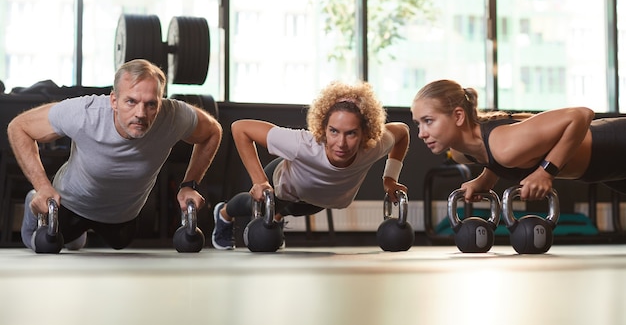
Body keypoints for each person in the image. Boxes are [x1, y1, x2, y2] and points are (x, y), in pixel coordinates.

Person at [8, 58, 223, 251]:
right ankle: (35, 203)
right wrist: (42, 186)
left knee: (120, 243)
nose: (141, 113)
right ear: (113, 101)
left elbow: (213, 132)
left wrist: (189, 184)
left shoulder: (173, 116)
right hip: (70, 203)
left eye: (151, 104)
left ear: (160, 101)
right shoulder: (85, 113)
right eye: (131, 101)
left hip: (121, 216)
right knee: (44, 243)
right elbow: (19, 127)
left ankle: (75, 238)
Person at [211, 81, 410, 250]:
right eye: (333, 131)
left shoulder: (372, 146)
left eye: (351, 133)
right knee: (259, 205)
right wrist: (259, 181)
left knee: (295, 209)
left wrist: (390, 179)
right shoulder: (303, 143)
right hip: (282, 184)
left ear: (365, 133)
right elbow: (240, 128)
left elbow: (402, 132)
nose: (341, 143)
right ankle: (224, 213)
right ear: (323, 128)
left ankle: (277, 217)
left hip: (317, 200)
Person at [410, 78, 626, 202]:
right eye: (418, 123)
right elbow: (496, 156)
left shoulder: (505, 144)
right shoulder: (462, 153)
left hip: (615, 144)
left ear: (458, 116)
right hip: (606, 170)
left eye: (429, 121)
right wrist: (486, 179)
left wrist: (545, 172)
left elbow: (581, 114)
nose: (421, 133)